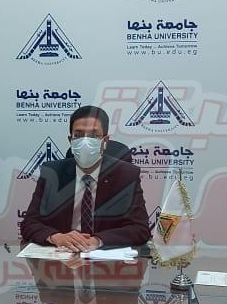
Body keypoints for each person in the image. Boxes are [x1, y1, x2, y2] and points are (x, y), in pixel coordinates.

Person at [20, 106, 151, 251]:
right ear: (70, 139)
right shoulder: (52, 173)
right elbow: (29, 223)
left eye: (93, 135)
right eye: (78, 135)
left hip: (106, 260)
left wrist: (98, 240)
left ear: (105, 140)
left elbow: (140, 228)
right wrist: (56, 237)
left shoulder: (126, 175)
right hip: (62, 256)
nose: (85, 141)